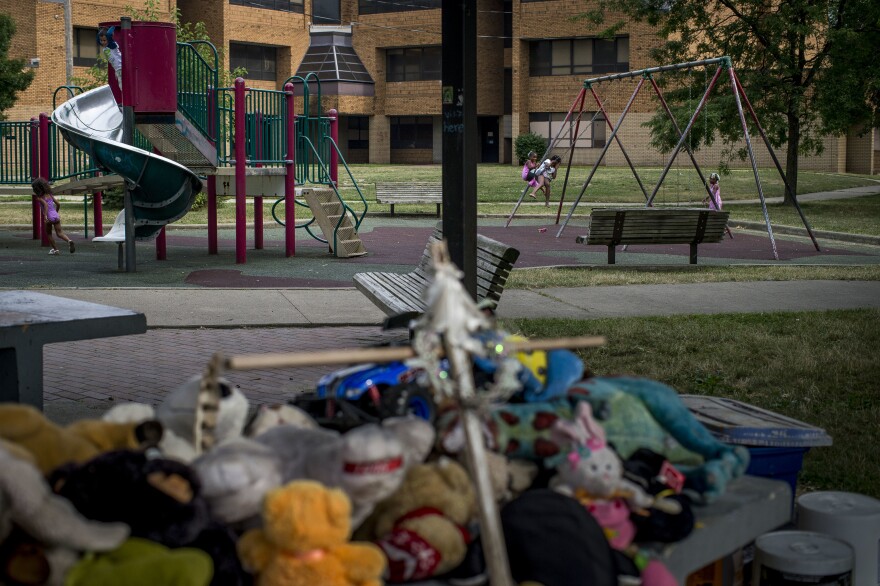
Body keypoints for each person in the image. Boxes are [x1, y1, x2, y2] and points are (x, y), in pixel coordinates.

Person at [32, 178, 75, 255]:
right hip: (55, 215)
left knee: (49, 234)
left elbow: (45, 205)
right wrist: (56, 212)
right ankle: (69, 241)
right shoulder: (50, 195)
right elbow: (58, 204)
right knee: (60, 233)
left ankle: (56, 250)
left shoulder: (39, 197)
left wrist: (45, 216)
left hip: (49, 217)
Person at [97, 26, 122, 91]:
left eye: (105, 40)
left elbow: (109, 35)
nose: (103, 42)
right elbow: (98, 39)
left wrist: (113, 26)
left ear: (108, 39)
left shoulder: (112, 45)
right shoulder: (105, 48)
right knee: (120, 85)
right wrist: (101, 29)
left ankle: (126, 99)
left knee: (121, 86)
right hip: (117, 69)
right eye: (101, 40)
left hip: (120, 67)